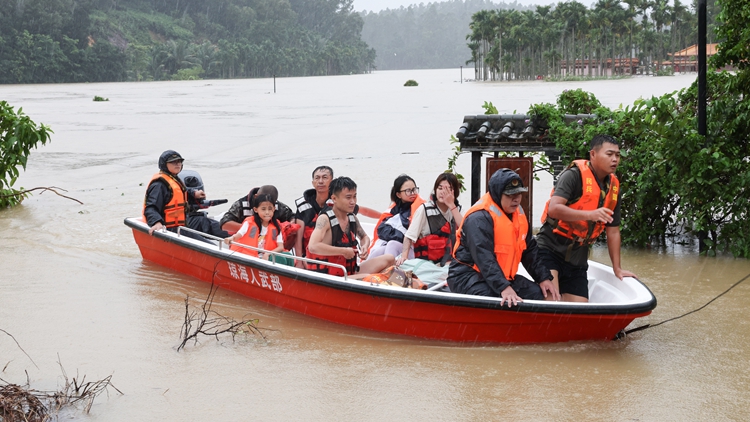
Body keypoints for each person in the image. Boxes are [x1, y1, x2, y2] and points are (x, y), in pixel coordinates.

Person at [537, 134, 636, 302]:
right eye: (609, 154)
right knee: (552, 301)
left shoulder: (613, 188)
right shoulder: (573, 176)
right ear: (593, 155)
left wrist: (617, 269)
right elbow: (554, 209)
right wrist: (590, 214)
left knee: (579, 309)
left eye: (618, 155)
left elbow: (613, 232)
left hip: (578, 258)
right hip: (550, 249)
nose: (615, 159)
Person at [448, 169, 560, 306]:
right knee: (496, 300)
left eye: (519, 193)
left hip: (503, 277)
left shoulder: (518, 214)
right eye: (510, 195)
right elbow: (484, 258)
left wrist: (543, 278)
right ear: (497, 193)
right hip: (467, 276)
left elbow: (529, 250)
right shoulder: (479, 218)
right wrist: (504, 287)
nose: (516, 199)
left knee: (540, 294)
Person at [306, 177, 394, 277]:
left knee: (390, 258)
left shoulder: (352, 218)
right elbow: (313, 246)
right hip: (331, 277)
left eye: (354, 196)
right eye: (348, 197)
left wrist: (365, 246)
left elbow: (364, 237)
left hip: (350, 272)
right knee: (368, 277)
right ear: (334, 198)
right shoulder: (324, 219)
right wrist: (343, 251)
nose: (353, 201)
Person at [292, 166, 379, 268]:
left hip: (340, 259)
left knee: (388, 259)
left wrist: (383, 216)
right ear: (313, 182)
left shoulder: (344, 204)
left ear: (331, 181)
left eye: (325, 177)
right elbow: (299, 239)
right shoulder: (305, 207)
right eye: (317, 178)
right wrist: (299, 261)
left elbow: (363, 211)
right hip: (312, 257)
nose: (320, 181)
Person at [395, 172, 464, 267]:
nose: (443, 192)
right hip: (428, 264)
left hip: (452, 263)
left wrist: (451, 205)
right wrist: (404, 257)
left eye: (448, 189)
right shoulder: (424, 210)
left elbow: (466, 230)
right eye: (440, 188)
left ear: (455, 192)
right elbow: (409, 237)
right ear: (435, 190)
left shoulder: (459, 210)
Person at [142, 150, 208, 242]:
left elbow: (178, 193)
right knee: (210, 245)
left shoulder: (173, 178)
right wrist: (156, 222)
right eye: (173, 162)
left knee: (208, 223)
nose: (177, 164)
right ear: (164, 164)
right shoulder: (159, 185)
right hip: (170, 229)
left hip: (181, 226)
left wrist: (194, 193)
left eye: (179, 161)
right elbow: (150, 208)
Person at [368, 174, 426, 261]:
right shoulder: (394, 210)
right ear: (398, 194)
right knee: (380, 250)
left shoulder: (421, 208)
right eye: (408, 190)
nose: (413, 193)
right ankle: (362, 271)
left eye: (414, 189)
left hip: (416, 250)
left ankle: (389, 272)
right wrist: (401, 236)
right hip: (400, 246)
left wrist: (403, 237)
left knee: (392, 244)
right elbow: (381, 229)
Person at [223, 194, 284, 260]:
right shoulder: (249, 223)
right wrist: (231, 238)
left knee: (287, 257)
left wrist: (268, 253)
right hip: (247, 256)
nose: (267, 212)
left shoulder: (276, 227)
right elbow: (239, 234)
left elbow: (280, 247)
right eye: (263, 209)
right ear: (255, 209)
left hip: (265, 257)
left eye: (270, 209)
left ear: (274, 209)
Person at [220, 185, 294, 233]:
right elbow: (224, 224)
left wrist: (287, 227)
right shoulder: (241, 205)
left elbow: (292, 217)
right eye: (263, 207)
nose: (267, 211)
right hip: (246, 241)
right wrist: (252, 229)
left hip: (270, 244)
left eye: (270, 207)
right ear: (256, 197)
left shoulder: (277, 206)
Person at [179, 169, 230, 239]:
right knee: (203, 222)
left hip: (186, 221)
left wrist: (194, 194)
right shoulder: (164, 187)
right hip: (181, 225)